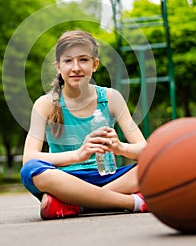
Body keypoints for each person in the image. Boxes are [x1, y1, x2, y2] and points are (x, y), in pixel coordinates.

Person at [20, 30, 148, 220]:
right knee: (30, 171)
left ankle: (75, 204)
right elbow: (29, 158)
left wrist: (121, 148)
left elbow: (146, 150)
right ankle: (132, 202)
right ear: (58, 66)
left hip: (109, 176)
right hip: (66, 180)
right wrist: (78, 155)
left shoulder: (111, 98)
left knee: (156, 164)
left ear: (95, 64)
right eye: (68, 61)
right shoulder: (45, 104)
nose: (76, 67)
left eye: (83, 60)